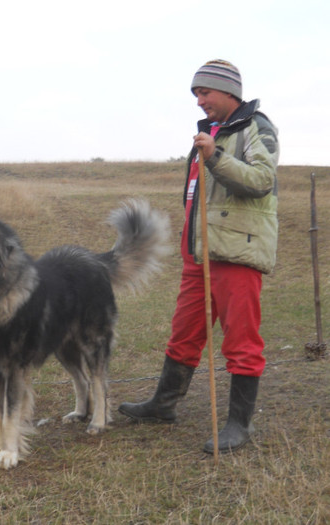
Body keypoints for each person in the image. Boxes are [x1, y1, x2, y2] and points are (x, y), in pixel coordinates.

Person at [118, 59, 279, 454]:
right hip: (200, 254)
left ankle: (239, 425)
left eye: (203, 92)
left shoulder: (256, 127)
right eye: (195, 94)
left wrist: (215, 157)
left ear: (228, 91)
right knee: (184, 331)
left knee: (241, 340)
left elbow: (262, 181)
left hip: (236, 252)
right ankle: (163, 405)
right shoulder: (207, 132)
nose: (199, 101)